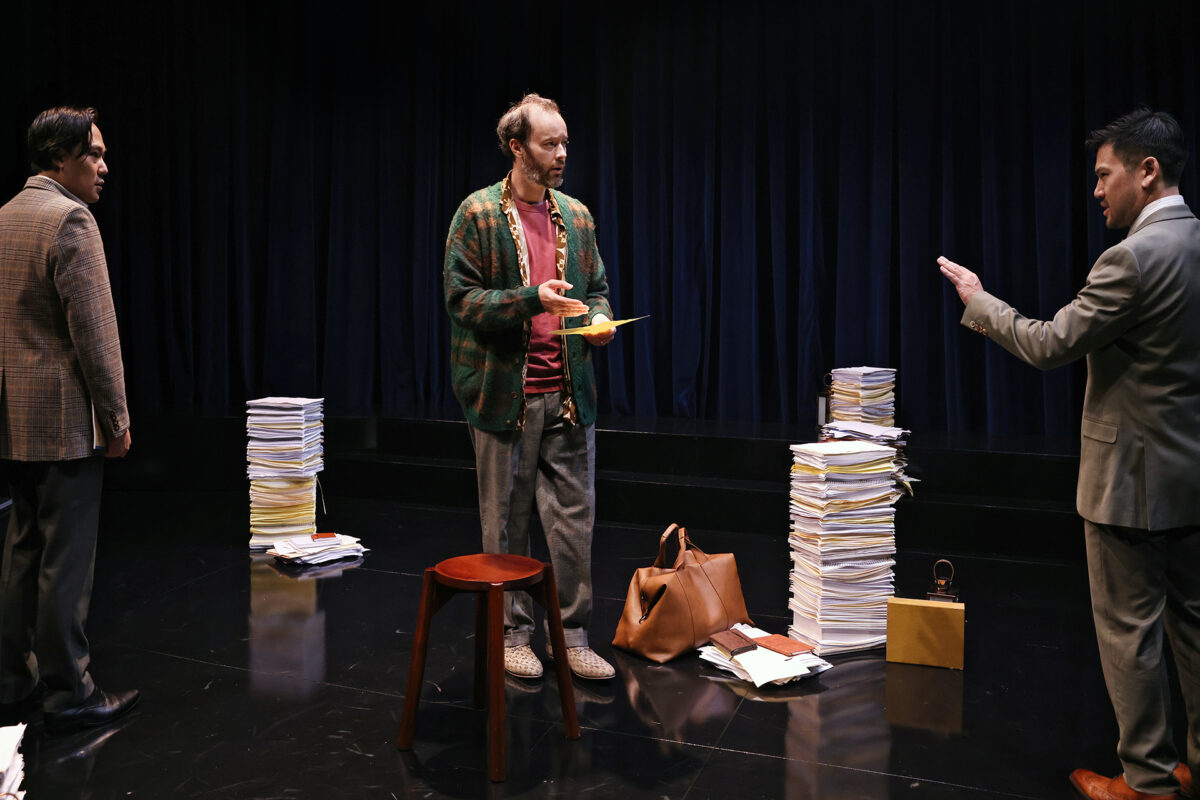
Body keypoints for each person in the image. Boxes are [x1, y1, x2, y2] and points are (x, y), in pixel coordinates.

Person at [939, 108, 1198, 800]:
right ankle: (1194, 765)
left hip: (1131, 485)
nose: (1096, 191)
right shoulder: (1196, 242)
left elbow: (1051, 343)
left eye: (1104, 175)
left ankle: (1146, 783)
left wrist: (979, 300)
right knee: (1194, 630)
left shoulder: (1134, 257)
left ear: (1147, 172)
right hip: (1191, 477)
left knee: (1130, 636)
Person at [444, 93, 616, 681]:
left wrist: (597, 319)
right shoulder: (479, 215)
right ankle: (513, 632)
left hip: (568, 392)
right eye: (550, 143)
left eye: (565, 142)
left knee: (573, 523)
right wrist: (529, 299)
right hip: (503, 397)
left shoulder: (579, 216)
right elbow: (462, 300)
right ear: (518, 148)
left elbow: (595, 286)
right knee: (506, 522)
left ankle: (571, 635)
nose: (562, 153)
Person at [0, 106, 139, 733]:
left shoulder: (5, 216)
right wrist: (116, 420)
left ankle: (11, 680)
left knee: (22, 551)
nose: (104, 168)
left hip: (13, 419)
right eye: (95, 155)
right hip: (62, 420)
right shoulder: (71, 219)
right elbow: (95, 335)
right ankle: (69, 691)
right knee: (65, 560)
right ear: (60, 158)